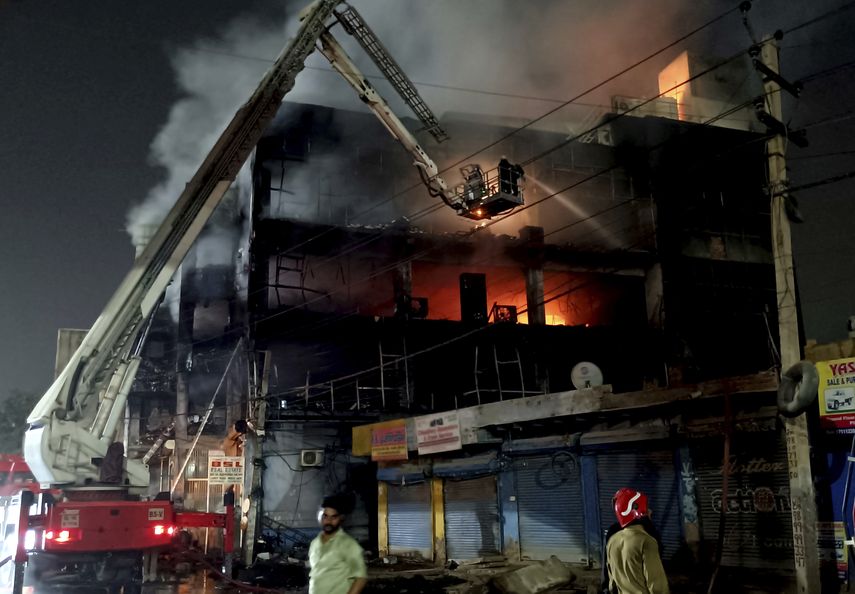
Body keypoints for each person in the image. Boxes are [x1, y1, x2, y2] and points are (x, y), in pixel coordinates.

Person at [605, 488, 669, 594]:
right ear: (636, 509)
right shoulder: (646, 541)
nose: (650, 511)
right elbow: (657, 586)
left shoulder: (612, 540)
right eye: (646, 507)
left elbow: (612, 585)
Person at [308, 494, 367, 594]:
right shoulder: (314, 544)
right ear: (320, 517)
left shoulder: (349, 544)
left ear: (340, 518)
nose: (329, 521)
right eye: (325, 516)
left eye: (333, 517)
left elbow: (360, 578)